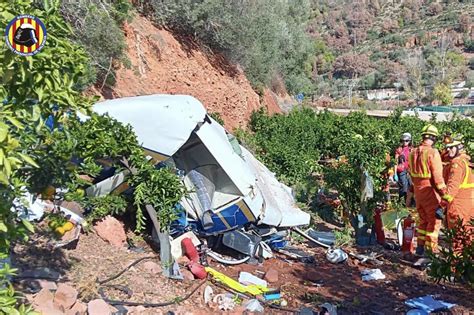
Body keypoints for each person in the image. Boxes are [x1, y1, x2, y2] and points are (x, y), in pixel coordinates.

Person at [408, 124, 447, 256]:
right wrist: (445, 194)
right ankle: (431, 253)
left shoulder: (413, 152)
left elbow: (411, 174)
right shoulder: (433, 152)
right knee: (434, 222)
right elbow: (437, 178)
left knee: (423, 220)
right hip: (430, 190)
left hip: (418, 192)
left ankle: (420, 248)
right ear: (434, 138)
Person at [439, 136, 473, 253]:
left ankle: (455, 269)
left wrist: (441, 206)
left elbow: (451, 189)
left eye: (451, 148)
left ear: (459, 147)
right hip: (469, 206)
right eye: (447, 148)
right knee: (468, 237)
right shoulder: (467, 161)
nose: (448, 151)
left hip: (457, 207)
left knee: (457, 240)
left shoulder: (457, 164)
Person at [395, 132, 413, 206]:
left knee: (411, 188)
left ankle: (409, 205)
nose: (405, 142)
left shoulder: (412, 150)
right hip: (401, 171)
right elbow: (395, 161)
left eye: (407, 141)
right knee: (403, 189)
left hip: (410, 171)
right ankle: (402, 204)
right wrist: (395, 173)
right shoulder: (399, 150)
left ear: (410, 141)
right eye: (403, 141)